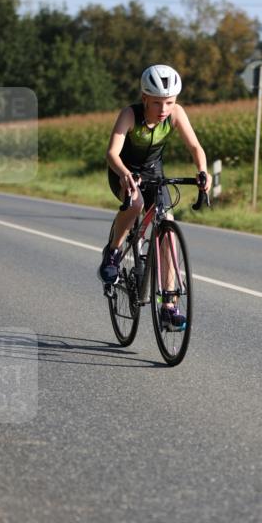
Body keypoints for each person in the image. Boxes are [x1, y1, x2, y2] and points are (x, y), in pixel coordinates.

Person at [98, 64, 209, 331]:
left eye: (169, 102)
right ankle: (113, 252)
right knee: (135, 203)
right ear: (145, 98)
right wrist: (125, 174)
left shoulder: (176, 114)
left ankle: (169, 307)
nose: (163, 109)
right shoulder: (130, 114)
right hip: (123, 170)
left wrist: (203, 171)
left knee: (168, 230)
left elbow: (195, 147)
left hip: (153, 171)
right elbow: (112, 152)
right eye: (157, 102)